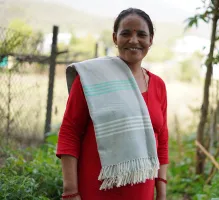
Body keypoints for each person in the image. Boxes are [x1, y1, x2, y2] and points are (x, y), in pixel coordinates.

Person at [56, 8, 169, 200]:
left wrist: (162, 192)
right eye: (126, 33)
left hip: (142, 190)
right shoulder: (91, 79)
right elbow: (70, 132)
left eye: (141, 34)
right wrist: (70, 191)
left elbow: (162, 140)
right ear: (115, 38)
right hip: (96, 188)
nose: (134, 40)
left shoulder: (158, 85)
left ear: (150, 40)